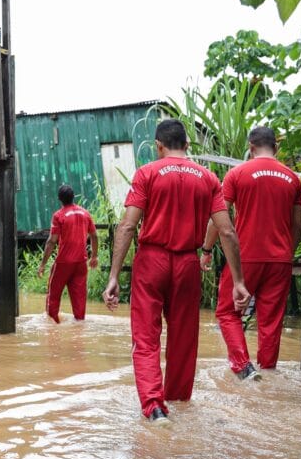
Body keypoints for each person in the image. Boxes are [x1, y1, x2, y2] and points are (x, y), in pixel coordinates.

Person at [103, 119, 249, 424]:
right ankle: (179, 402)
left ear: (159, 145)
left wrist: (114, 275)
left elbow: (128, 225)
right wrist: (238, 280)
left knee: (146, 337)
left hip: (151, 261)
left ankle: (154, 407)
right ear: (187, 144)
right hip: (187, 263)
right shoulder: (209, 178)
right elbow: (227, 231)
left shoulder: (147, 173)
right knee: (184, 339)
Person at [200, 126, 301, 380]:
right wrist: (286, 254)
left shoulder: (237, 174)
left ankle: (243, 366)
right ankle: (267, 373)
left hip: (245, 257)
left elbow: (218, 220)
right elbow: (298, 225)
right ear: (275, 147)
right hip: (280, 259)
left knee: (227, 312)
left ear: (251, 147)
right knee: (270, 321)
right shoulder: (293, 178)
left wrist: (206, 249)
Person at [38, 184, 100, 322]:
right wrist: (94, 256)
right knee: (79, 300)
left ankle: (52, 326)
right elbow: (95, 236)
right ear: (73, 197)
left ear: (60, 199)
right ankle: (79, 328)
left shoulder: (58, 215)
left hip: (63, 263)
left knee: (53, 297)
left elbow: (52, 241)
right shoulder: (85, 213)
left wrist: (43, 264)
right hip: (81, 263)